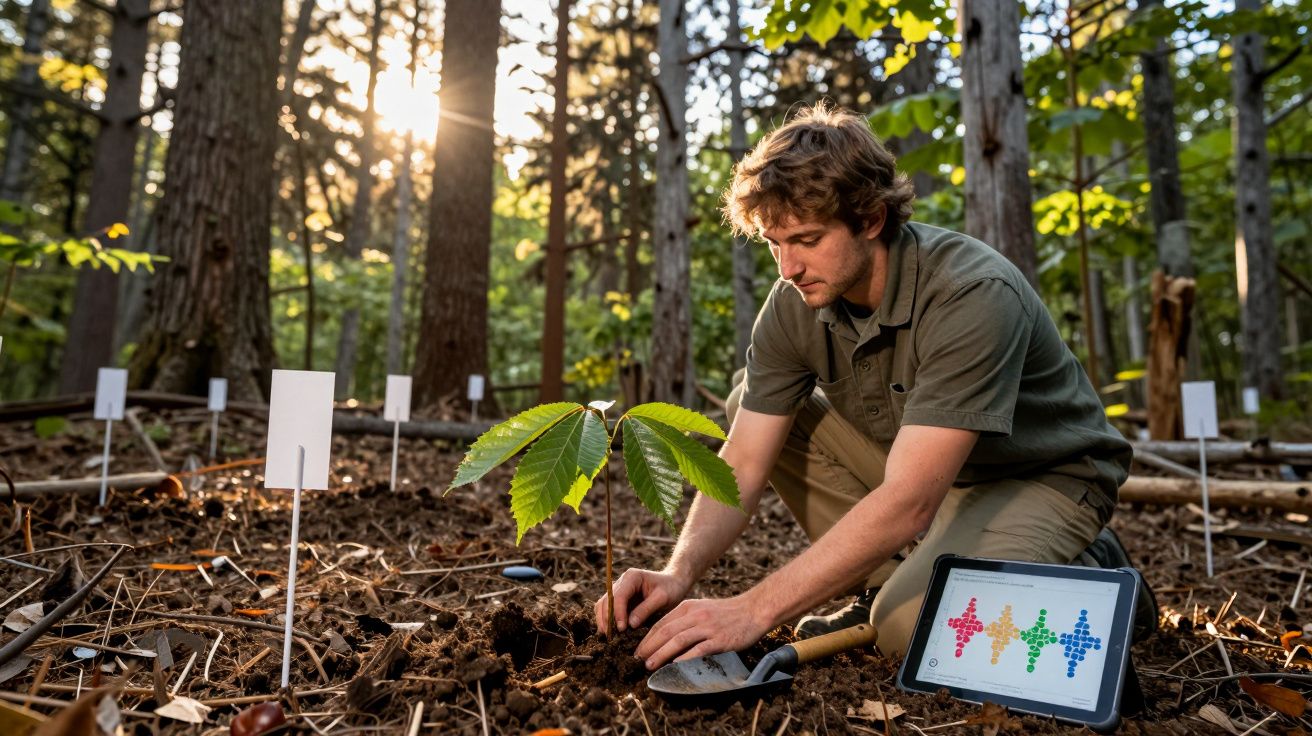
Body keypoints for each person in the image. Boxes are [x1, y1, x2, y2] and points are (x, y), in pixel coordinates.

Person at [595, 103, 1136, 672]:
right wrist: (678, 572)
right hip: (928, 473)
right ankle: (883, 585)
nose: (787, 267)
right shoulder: (795, 301)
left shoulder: (970, 293)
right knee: (749, 404)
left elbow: (909, 502)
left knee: (909, 630)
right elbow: (746, 459)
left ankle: (1092, 563)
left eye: (806, 239)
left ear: (872, 218)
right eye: (774, 243)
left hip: (1041, 478)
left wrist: (752, 610)